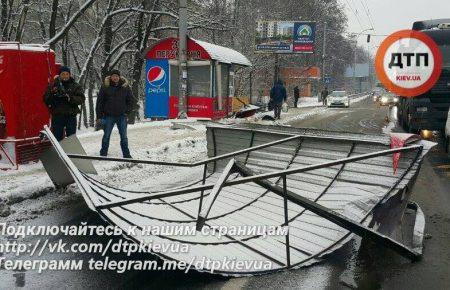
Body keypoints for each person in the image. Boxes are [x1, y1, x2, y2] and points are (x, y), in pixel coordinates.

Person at [96, 69, 133, 158]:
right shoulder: (105, 86)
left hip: (122, 116)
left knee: (124, 136)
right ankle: (103, 153)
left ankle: (126, 154)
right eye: (113, 76)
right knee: (106, 136)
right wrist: (99, 116)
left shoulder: (125, 87)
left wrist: (127, 111)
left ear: (119, 77)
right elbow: (100, 102)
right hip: (108, 116)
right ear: (110, 77)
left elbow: (130, 101)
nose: (115, 78)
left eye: (117, 76)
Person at [44, 66, 85, 141]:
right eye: (63, 74)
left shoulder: (75, 85)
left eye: (67, 74)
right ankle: (60, 152)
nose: (65, 76)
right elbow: (46, 100)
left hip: (71, 116)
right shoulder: (53, 85)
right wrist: (52, 93)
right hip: (57, 116)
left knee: (71, 139)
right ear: (60, 75)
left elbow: (81, 99)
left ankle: (71, 153)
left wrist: (70, 98)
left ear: (69, 75)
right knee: (57, 139)